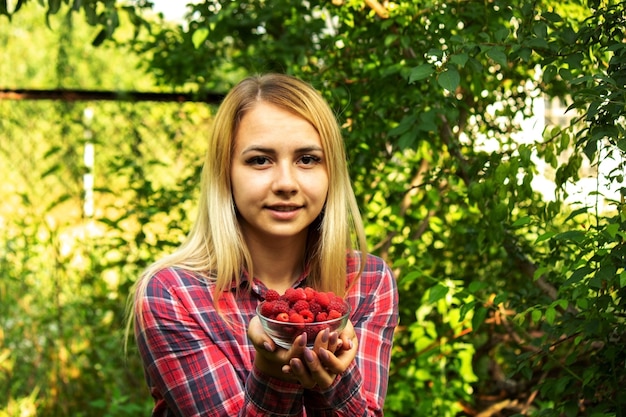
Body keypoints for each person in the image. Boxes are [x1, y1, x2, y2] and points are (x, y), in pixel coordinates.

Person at [127, 73, 399, 416]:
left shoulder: (367, 282)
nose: (286, 183)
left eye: (307, 159)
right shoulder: (173, 294)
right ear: (225, 173)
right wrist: (273, 375)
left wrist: (335, 382)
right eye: (260, 160)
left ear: (331, 173)